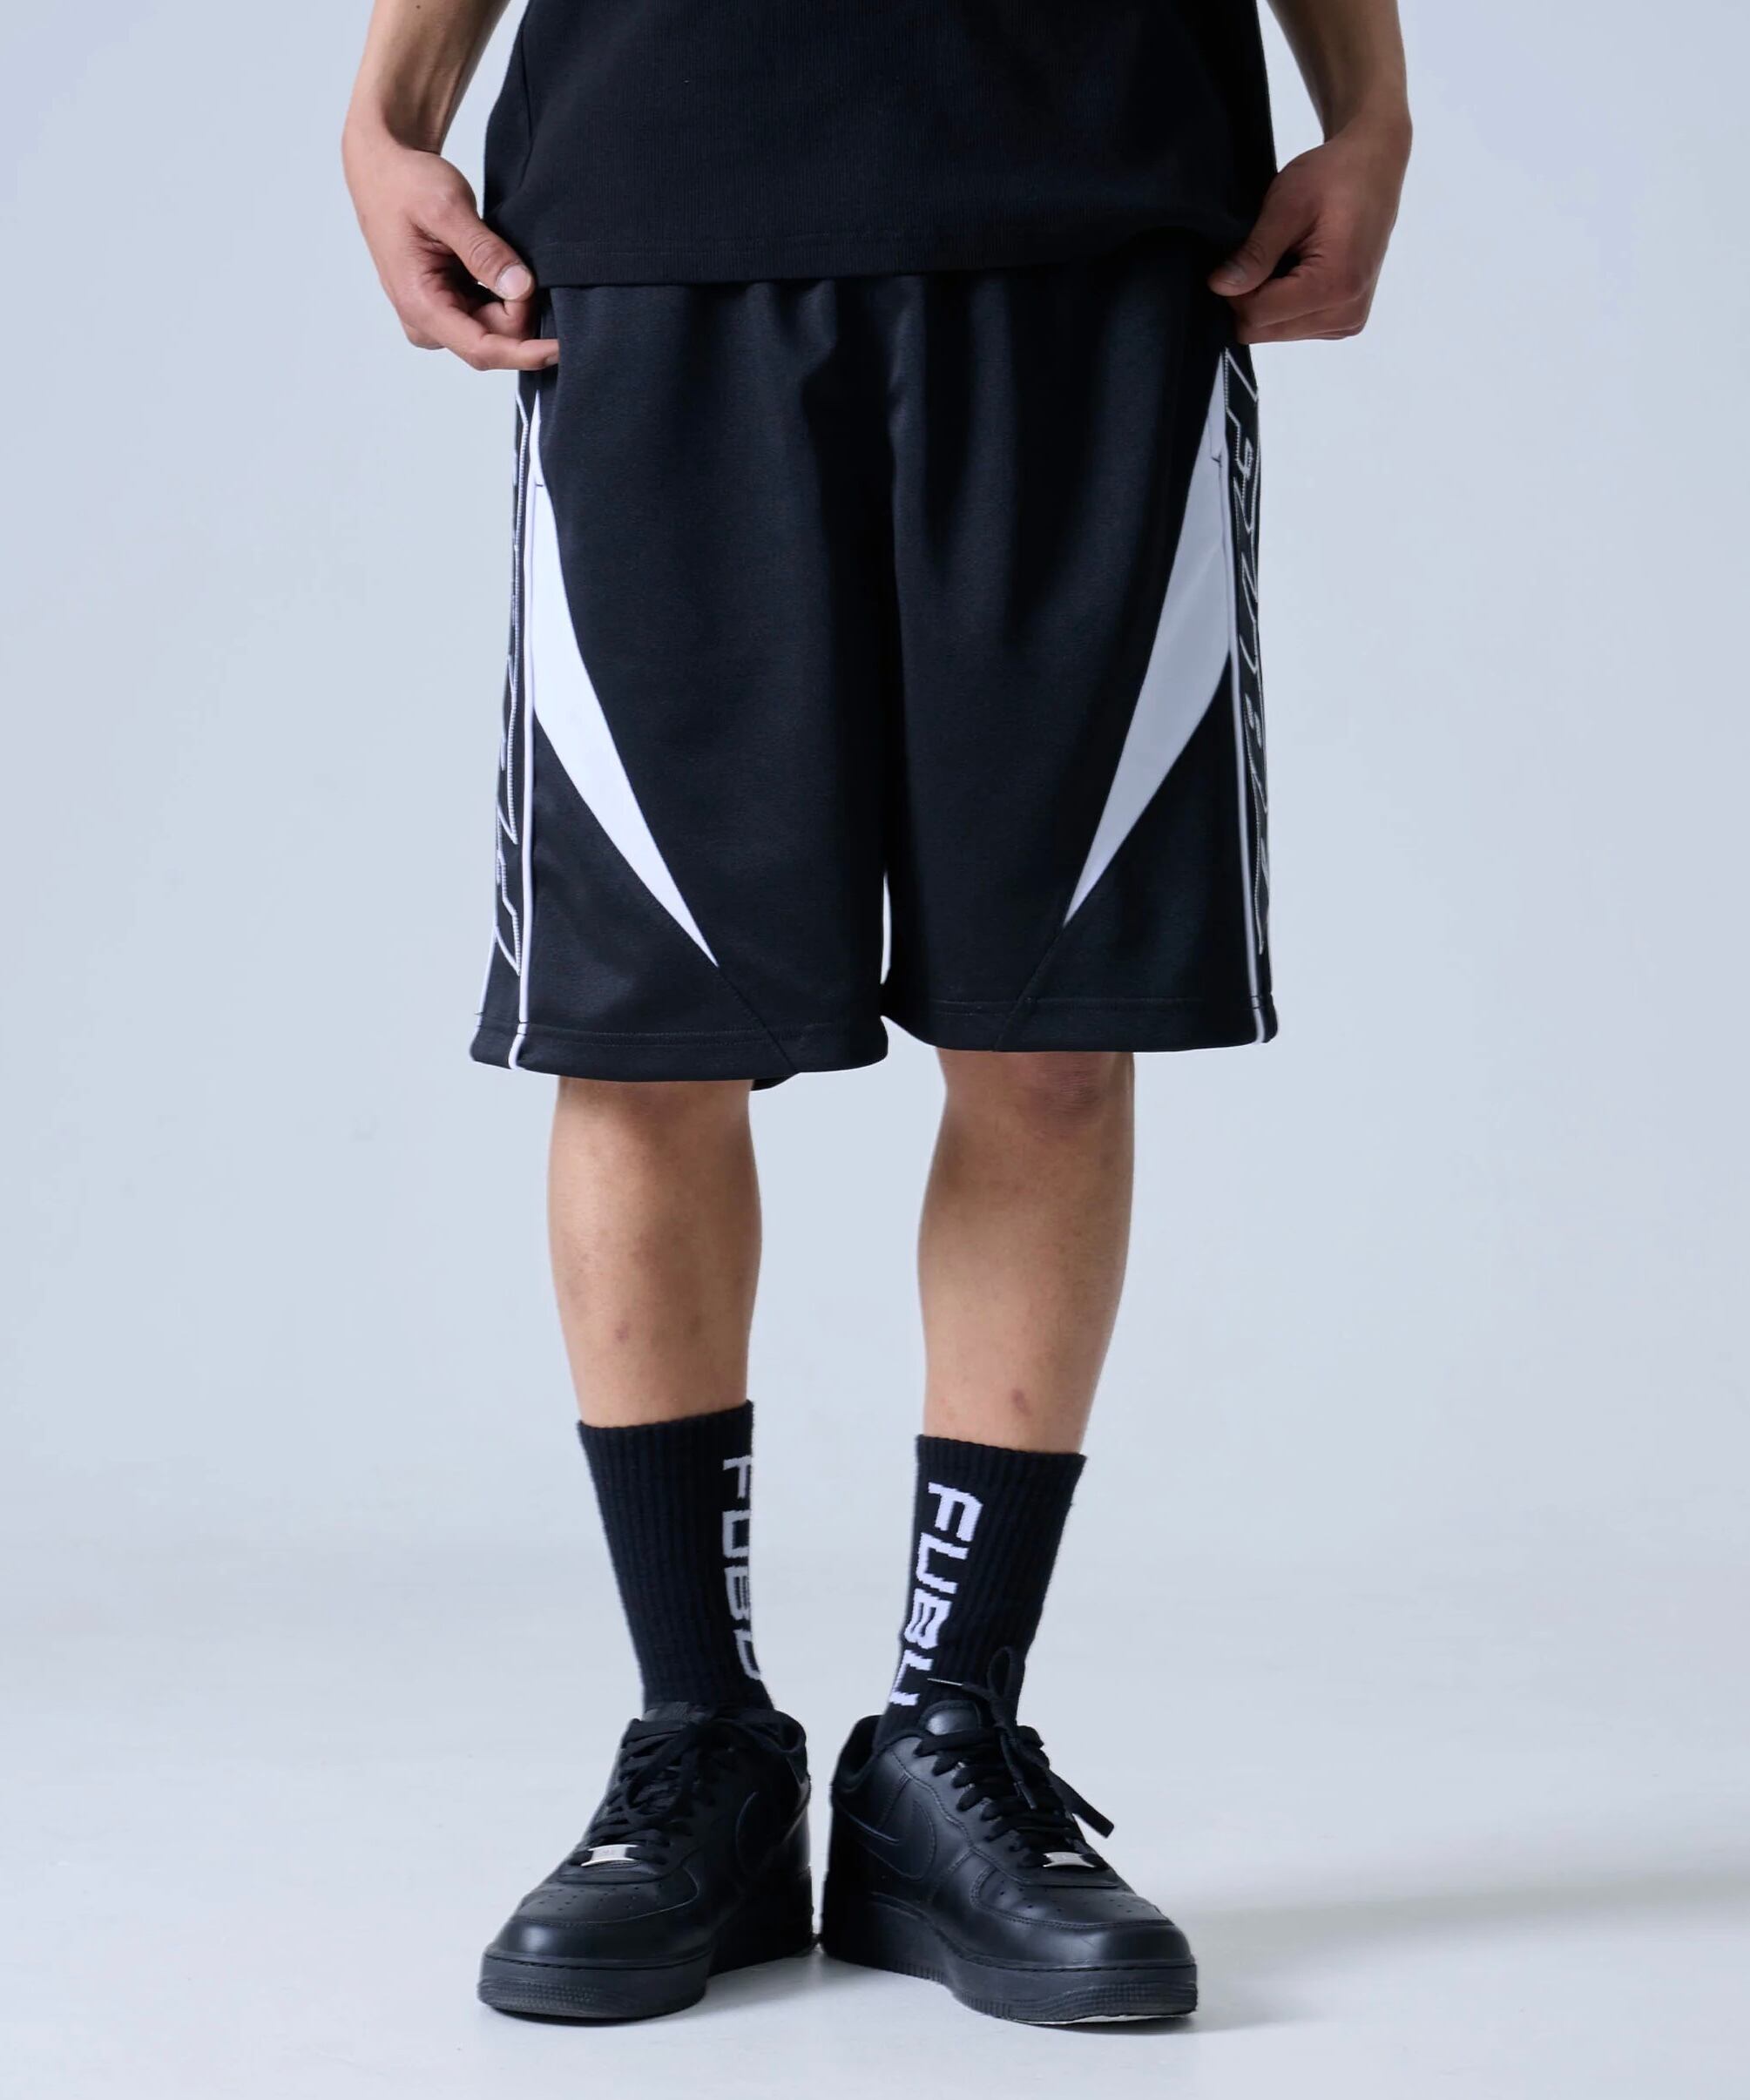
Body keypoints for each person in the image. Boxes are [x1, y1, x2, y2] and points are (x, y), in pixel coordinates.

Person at [343, 0, 1409, 2028]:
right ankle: (701, 1748)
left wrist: (1372, 105)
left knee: (1053, 1035)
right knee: (643, 1034)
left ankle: (949, 1740)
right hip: (655, 223)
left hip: (1095, 219)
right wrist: (387, 112)